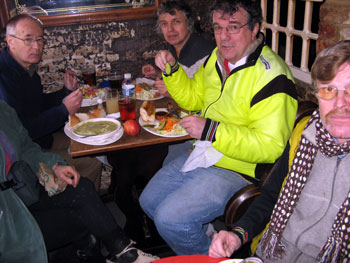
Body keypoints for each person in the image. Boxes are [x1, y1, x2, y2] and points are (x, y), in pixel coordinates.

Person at [139, 0, 298, 255]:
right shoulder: (216, 58)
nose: (223, 37)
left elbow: (269, 146)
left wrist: (211, 131)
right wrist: (173, 70)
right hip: (206, 152)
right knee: (148, 201)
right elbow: (193, 98)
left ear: (255, 28)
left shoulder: (273, 77)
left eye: (233, 27)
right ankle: (208, 238)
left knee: (170, 220)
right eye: (218, 28)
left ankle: (217, 257)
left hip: (238, 168)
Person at [209, 40, 350, 263]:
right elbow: (271, 195)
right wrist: (238, 234)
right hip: (272, 252)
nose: (340, 103)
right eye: (329, 90)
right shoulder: (304, 135)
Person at [0, 99, 159, 263]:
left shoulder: (3, 109)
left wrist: (53, 166)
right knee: (88, 216)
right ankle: (104, 253)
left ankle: (123, 251)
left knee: (82, 187)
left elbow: (26, 147)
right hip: (9, 217)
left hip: (26, 187)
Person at [0, 13, 101, 191]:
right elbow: (24, 131)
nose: (37, 46)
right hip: (26, 155)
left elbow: (37, 105)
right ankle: (79, 205)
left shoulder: (26, 68)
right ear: (10, 41)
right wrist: (63, 110)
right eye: (28, 40)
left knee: (89, 139)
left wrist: (65, 92)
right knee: (92, 164)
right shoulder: (4, 79)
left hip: (42, 138)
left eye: (40, 40)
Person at [141, 0, 215, 97]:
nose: (170, 29)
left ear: (189, 23)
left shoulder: (206, 54)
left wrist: (172, 93)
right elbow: (182, 75)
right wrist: (158, 74)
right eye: (164, 24)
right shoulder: (173, 48)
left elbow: (207, 97)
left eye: (176, 22)